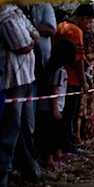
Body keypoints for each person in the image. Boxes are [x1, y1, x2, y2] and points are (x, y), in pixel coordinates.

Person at [0, 4, 53, 187]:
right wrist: (31, 38)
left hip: (27, 78)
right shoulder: (4, 14)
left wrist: (31, 38)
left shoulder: (18, 12)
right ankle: (0, 181)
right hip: (13, 81)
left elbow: (34, 33)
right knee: (10, 131)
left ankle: (29, 168)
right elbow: (22, 46)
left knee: (26, 127)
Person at [55, 4, 94, 154]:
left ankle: (61, 146)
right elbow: (78, 59)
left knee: (62, 114)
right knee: (69, 115)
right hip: (71, 79)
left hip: (58, 76)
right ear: (84, 18)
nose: (89, 25)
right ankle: (67, 145)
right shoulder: (75, 31)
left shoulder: (60, 26)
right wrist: (83, 81)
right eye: (89, 21)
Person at [35, 39, 76, 170]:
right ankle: (49, 160)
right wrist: (55, 110)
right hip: (51, 108)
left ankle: (58, 154)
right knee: (51, 135)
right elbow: (54, 90)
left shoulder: (52, 66)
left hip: (56, 107)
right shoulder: (59, 71)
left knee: (58, 133)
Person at [77, 19, 94, 142]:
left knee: (90, 103)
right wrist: (89, 59)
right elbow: (81, 56)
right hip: (80, 73)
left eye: (93, 22)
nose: (90, 25)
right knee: (80, 107)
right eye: (88, 21)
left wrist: (92, 58)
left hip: (92, 75)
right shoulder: (78, 36)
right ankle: (77, 136)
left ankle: (87, 132)